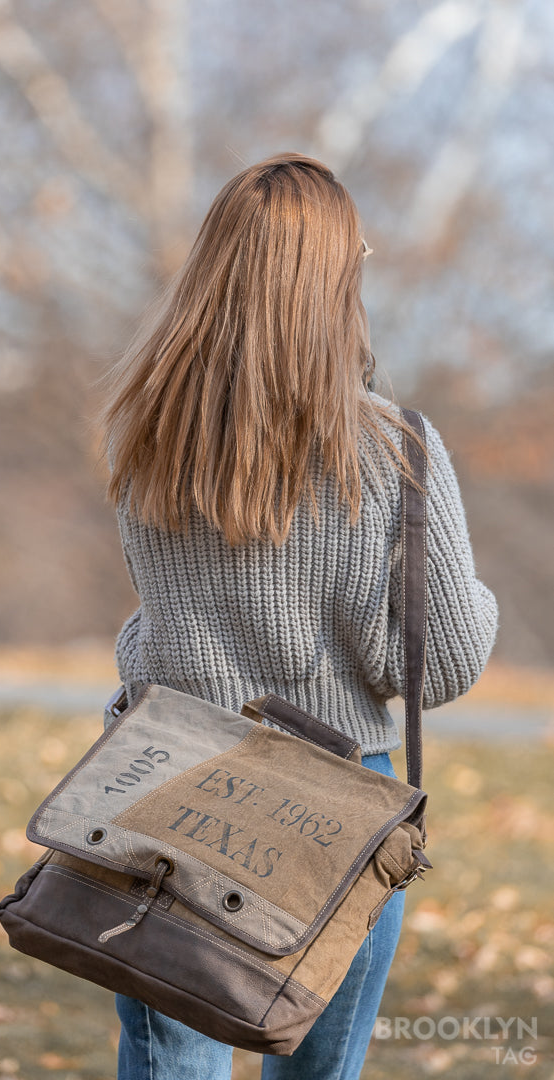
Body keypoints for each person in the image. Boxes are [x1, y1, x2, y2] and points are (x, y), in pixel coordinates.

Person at [100, 153, 497, 1080]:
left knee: (170, 1064)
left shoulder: (149, 428)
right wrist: (471, 593)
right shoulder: (388, 447)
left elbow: (160, 613)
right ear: (334, 282)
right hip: (335, 804)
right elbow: (432, 667)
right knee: (317, 1066)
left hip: (167, 773)